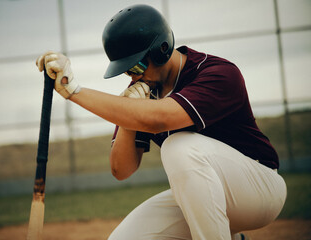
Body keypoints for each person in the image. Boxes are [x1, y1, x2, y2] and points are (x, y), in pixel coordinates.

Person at [36, 4, 287, 240]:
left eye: (136, 65)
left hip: (260, 188)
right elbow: (121, 170)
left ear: (162, 48)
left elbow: (160, 119)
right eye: (126, 70)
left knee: (178, 147)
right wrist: (128, 118)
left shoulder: (216, 73)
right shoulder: (142, 90)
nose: (132, 75)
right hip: (202, 194)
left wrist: (74, 90)